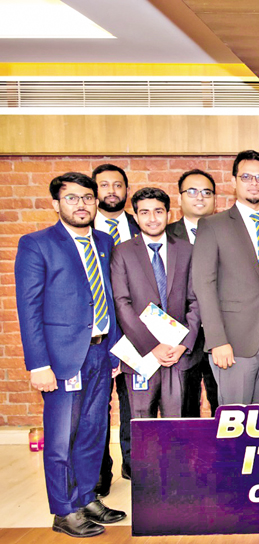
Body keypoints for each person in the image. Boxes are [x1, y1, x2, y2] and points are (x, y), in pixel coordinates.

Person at [15, 172, 126, 537]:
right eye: (72, 198)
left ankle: (86, 497)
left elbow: (109, 299)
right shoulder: (37, 244)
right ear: (56, 204)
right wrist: (38, 364)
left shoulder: (104, 241)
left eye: (88, 198)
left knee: (94, 433)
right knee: (62, 438)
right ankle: (64, 510)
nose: (82, 205)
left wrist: (114, 354)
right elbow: (28, 309)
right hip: (61, 359)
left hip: (100, 353)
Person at [192, 150, 259, 405]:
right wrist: (217, 340)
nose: (254, 183)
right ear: (233, 181)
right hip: (233, 342)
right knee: (234, 420)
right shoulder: (213, 225)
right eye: (246, 177)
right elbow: (204, 285)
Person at [111, 187, 200, 418]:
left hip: (178, 354)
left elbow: (196, 300)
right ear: (136, 216)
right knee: (142, 425)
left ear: (169, 214)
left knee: (178, 425)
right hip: (141, 353)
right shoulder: (122, 252)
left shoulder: (187, 250)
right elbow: (122, 303)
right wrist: (152, 345)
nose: (152, 218)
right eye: (145, 212)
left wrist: (184, 344)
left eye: (158, 211)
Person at [92, 163, 139, 493]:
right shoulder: (82, 231)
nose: (112, 190)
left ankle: (134, 464)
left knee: (134, 401)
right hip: (99, 332)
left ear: (126, 190)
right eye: (104, 185)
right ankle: (99, 473)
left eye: (118, 184)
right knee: (97, 406)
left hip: (138, 331)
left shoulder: (144, 226)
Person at [167, 169, 219, 416]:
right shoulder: (165, 235)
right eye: (192, 191)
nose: (200, 197)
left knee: (224, 408)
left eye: (207, 192)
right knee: (185, 408)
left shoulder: (227, 233)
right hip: (180, 336)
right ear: (179, 198)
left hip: (220, 334)